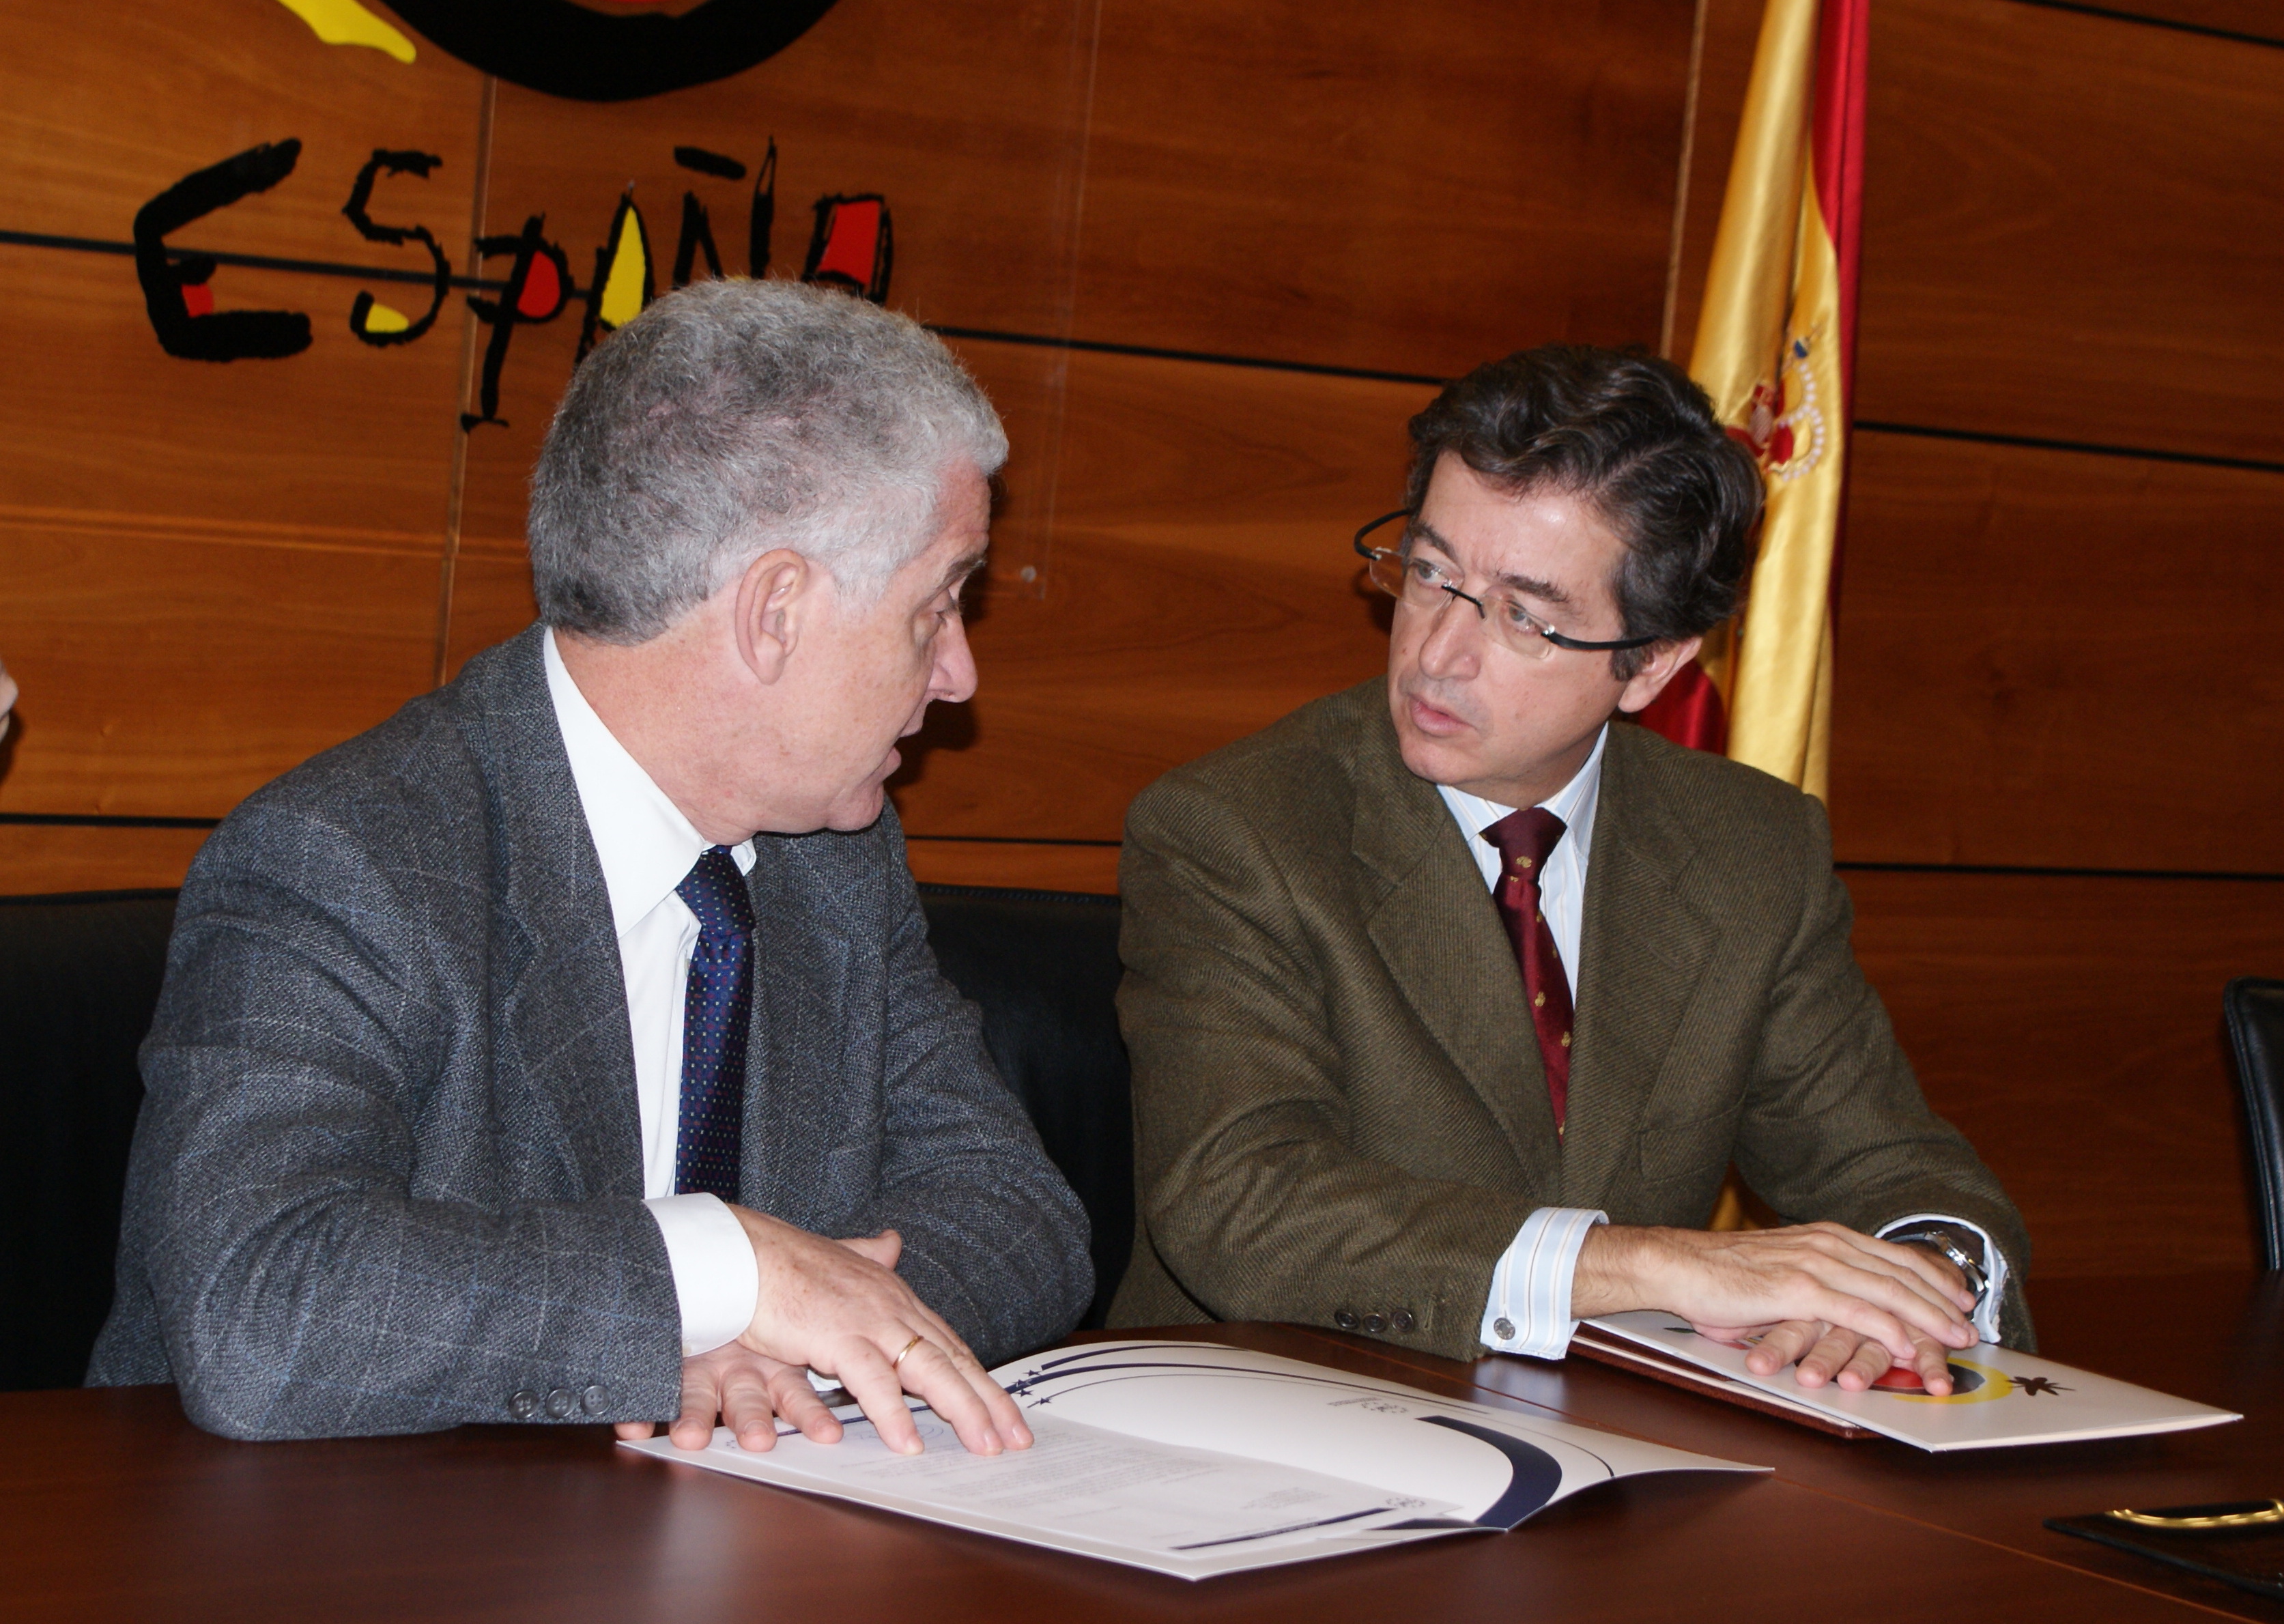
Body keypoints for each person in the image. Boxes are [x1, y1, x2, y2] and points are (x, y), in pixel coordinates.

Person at [89, 279, 1093, 1448]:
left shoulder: (836, 860)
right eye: (939, 604)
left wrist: (774, 1348)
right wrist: (726, 1270)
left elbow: (1018, 1212)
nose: (959, 673)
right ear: (775, 611)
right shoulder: (350, 858)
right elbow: (261, 1310)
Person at [1110, 345, 2030, 1397]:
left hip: (1611, 1456)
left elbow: (1892, 1168)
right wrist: (1649, 1262)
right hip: (1273, 1428)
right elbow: (1241, 1203)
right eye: (1430, 573)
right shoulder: (1239, 829)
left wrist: (1909, 1289)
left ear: (1652, 665)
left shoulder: (1749, 853)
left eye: (1523, 616)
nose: (1438, 654)